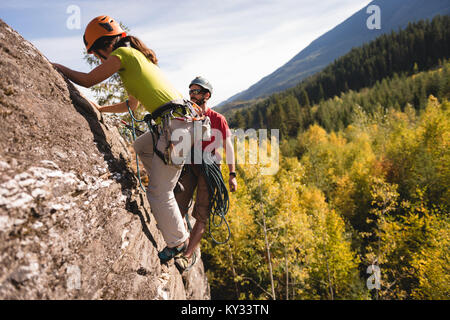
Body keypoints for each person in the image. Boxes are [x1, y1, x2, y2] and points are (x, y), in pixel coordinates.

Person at [53, 16, 209, 263]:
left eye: (95, 53)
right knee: (141, 145)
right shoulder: (136, 60)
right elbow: (131, 105)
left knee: (157, 193)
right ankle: (171, 178)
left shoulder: (123, 56)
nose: (97, 58)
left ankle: (178, 242)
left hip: (177, 127)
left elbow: (88, 80)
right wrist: (101, 110)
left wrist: (58, 67)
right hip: (180, 126)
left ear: (103, 45)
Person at [174, 76, 237, 271]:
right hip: (190, 165)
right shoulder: (187, 116)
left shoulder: (218, 119)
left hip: (210, 169)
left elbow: (228, 146)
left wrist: (232, 175)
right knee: (177, 206)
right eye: (190, 91)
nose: (192, 95)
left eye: (196, 91)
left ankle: (187, 256)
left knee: (201, 215)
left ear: (206, 95)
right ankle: (179, 240)